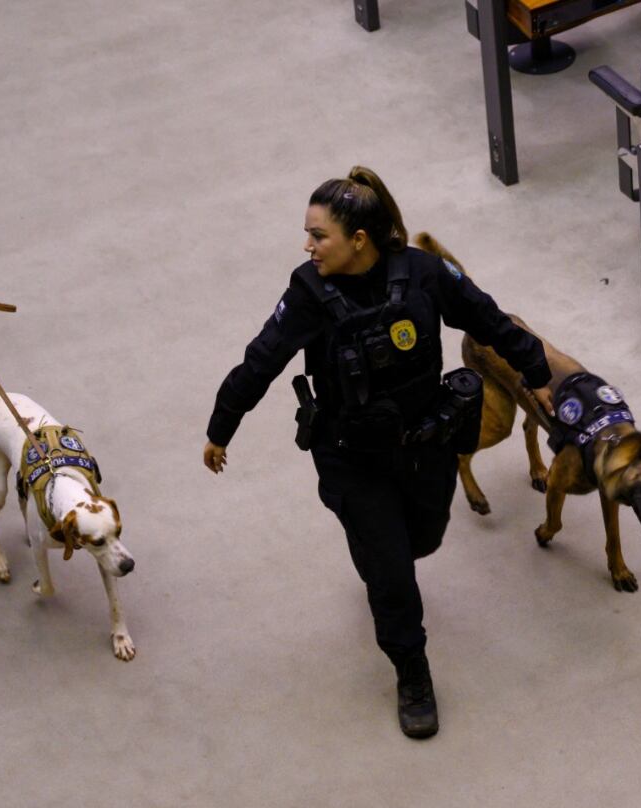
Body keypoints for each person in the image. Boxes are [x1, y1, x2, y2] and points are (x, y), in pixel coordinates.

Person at [203, 167, 553, 739]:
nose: (307, 246)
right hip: (352, 456)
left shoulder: (423, 274)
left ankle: (383, 553)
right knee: (392, 574)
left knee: (424, 539)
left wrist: (535, 370)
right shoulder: (308, 293)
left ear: (358, 240)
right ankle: (412, 670)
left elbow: (488, 317)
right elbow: (260, 360)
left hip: (427, 444)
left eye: (319, 235)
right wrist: (222, 427)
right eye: (307, 234)